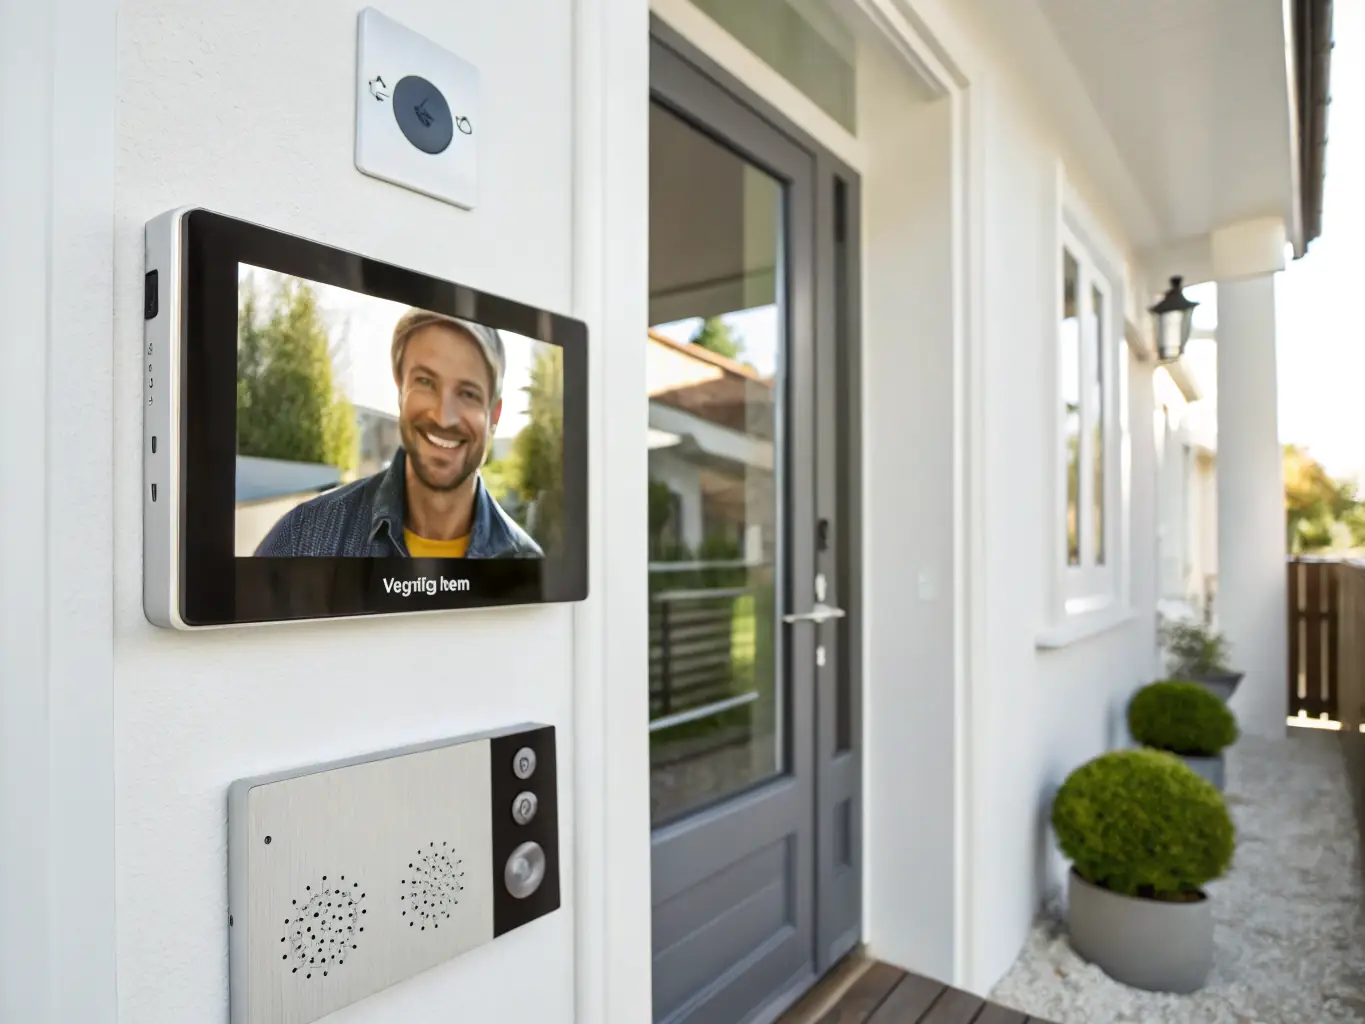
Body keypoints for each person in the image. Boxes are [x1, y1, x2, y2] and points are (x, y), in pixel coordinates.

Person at [254, 308, 543, 558]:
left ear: (494, 415)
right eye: (426, 382)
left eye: (468, 393)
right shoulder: (301, 540)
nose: (444, 417)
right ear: (400, 390)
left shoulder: (527, 562)